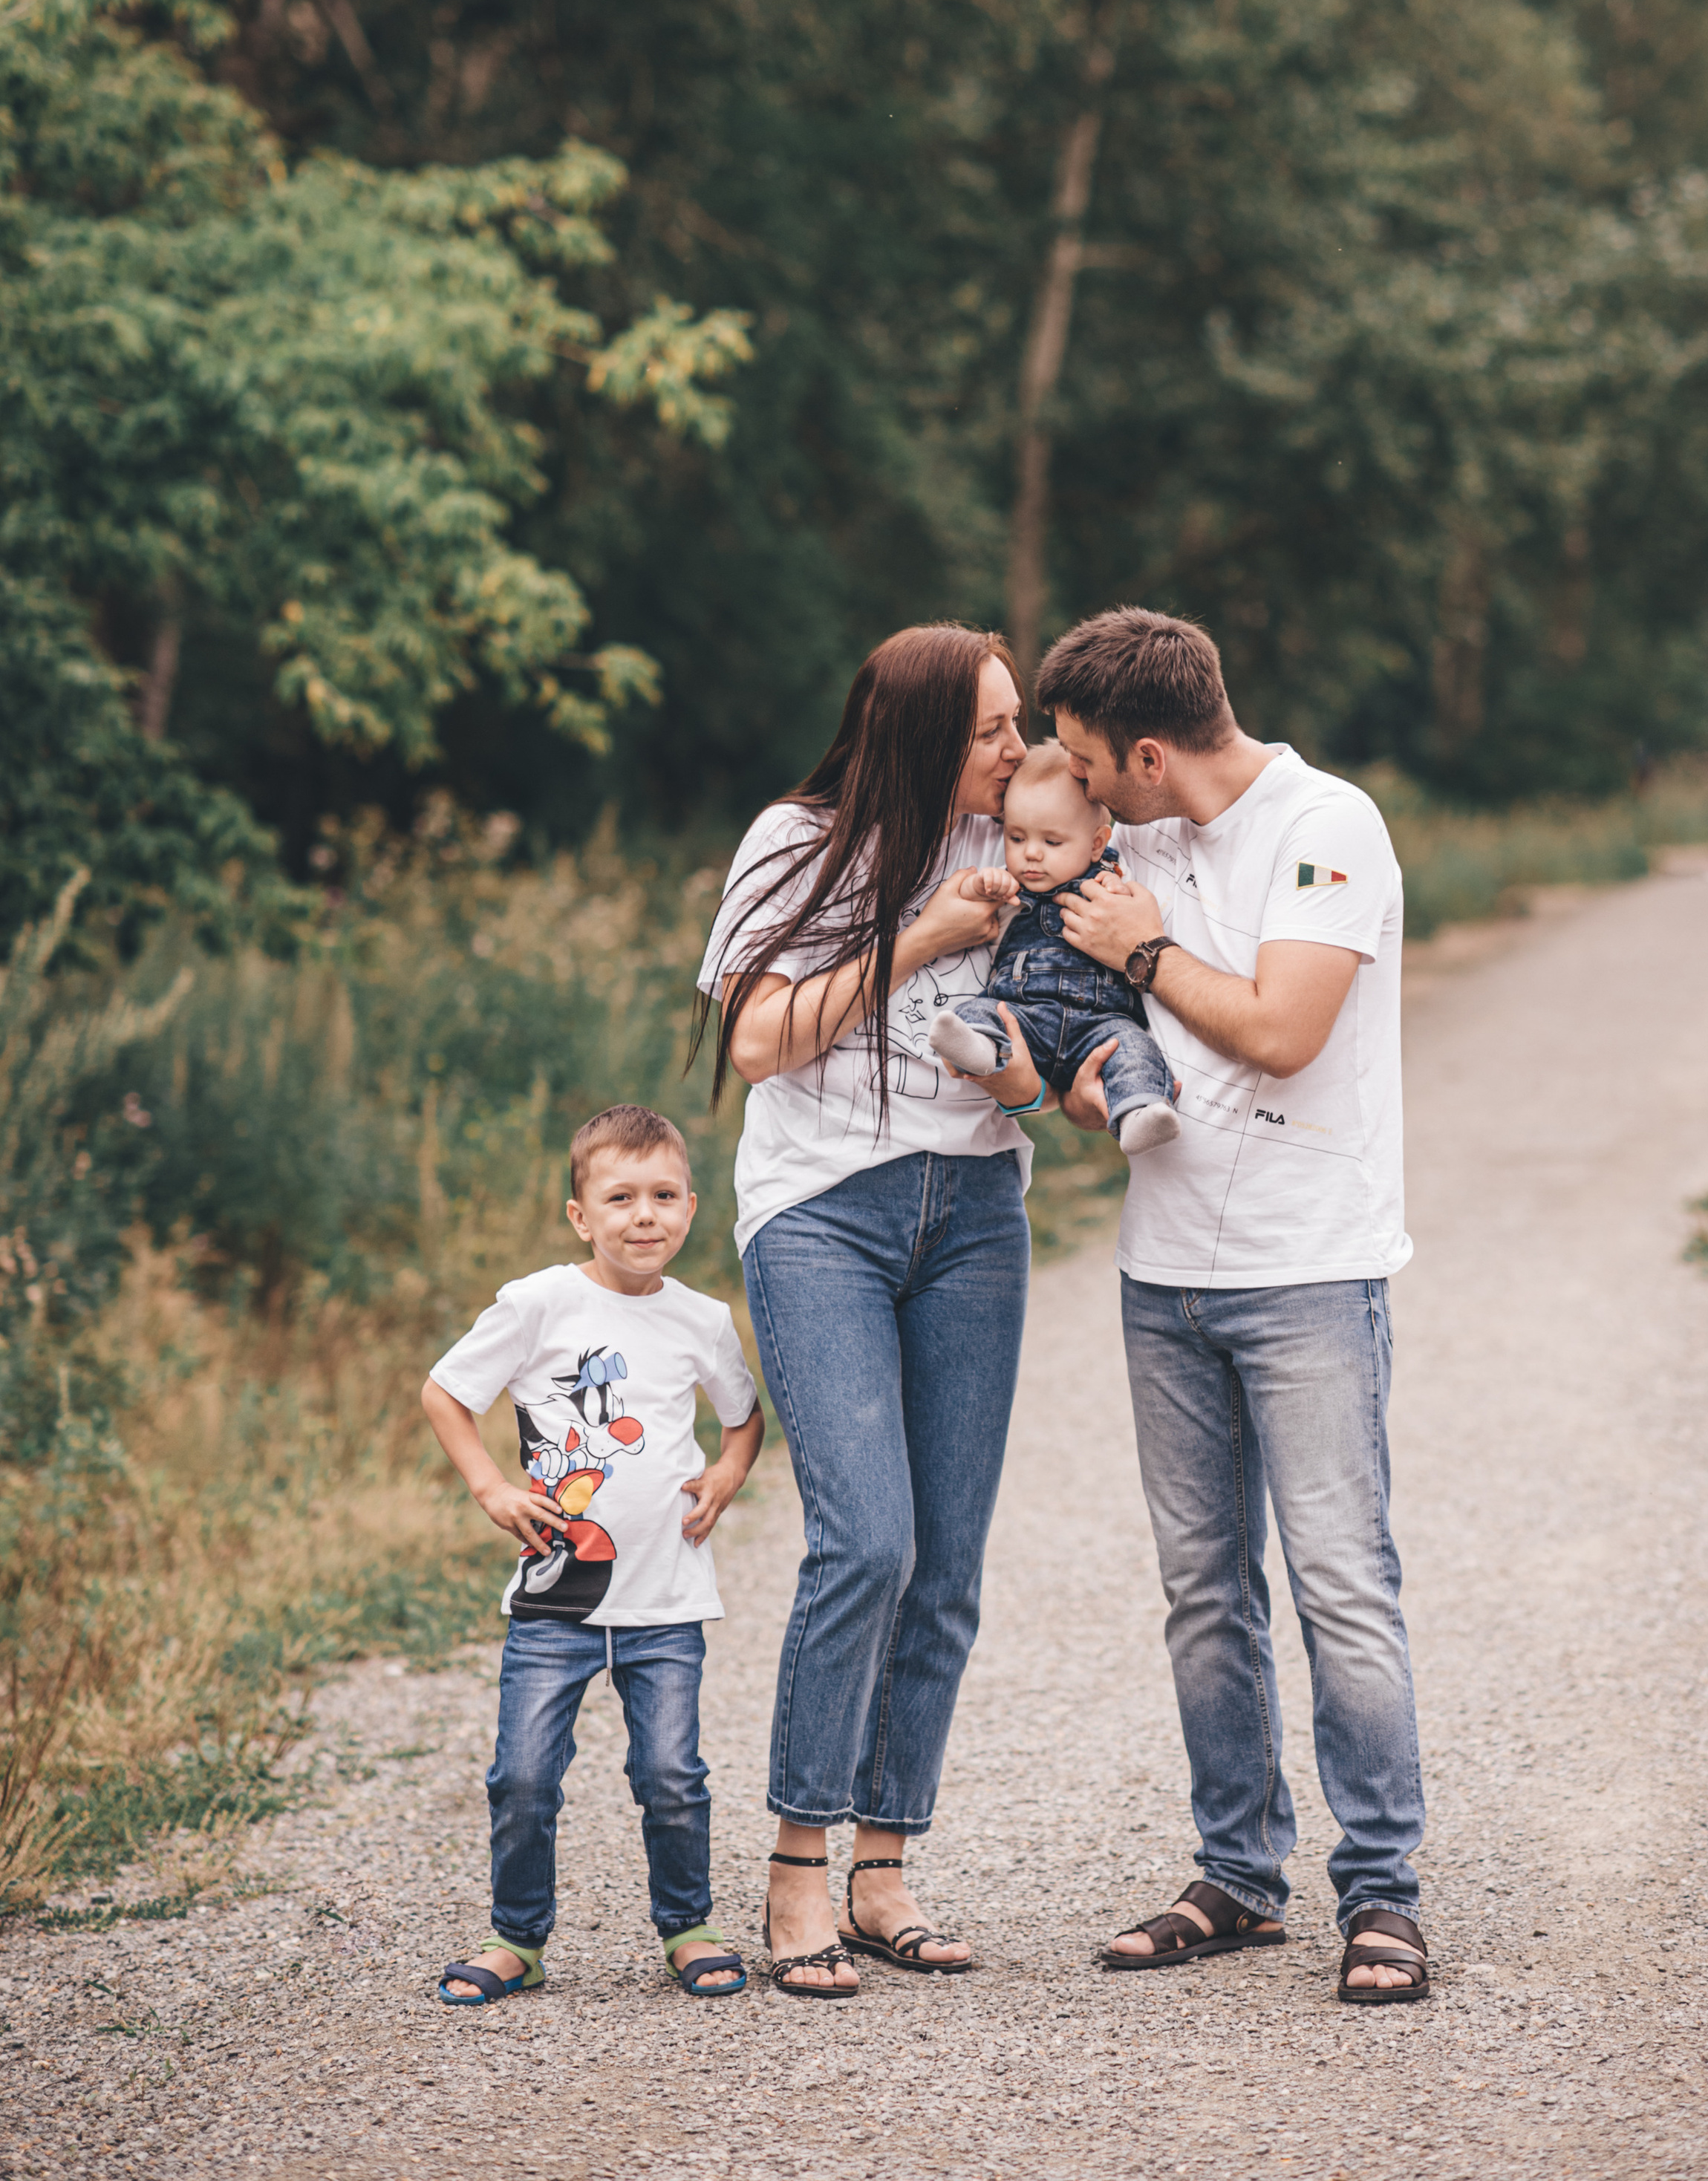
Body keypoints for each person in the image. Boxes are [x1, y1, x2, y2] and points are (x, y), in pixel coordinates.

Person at [1036, 607, 1430, 2006]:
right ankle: (1240, 1874)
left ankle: (1380, 1887)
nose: (1079, 787)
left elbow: (1280, 1027)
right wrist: (1084, 1076)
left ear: (1152, 751)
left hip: (1309, 1263)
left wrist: (1143, 951)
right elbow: (1102, 1035)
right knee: (1206, 1591)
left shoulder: (1330, 823)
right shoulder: (1131, 840)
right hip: (1163, 1273)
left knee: (1340, 1579)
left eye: (1091, 763)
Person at [692, 624, 1048, 2001]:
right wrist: (921, 939)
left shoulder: (1022, 847)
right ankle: (796, 1863)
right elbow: (759, 1041)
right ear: (916, 734)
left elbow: (1057, 1038)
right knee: (866, 1539)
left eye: (1015, 726)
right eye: (991, 729)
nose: (1016, 752)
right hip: (822, 1214)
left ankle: (887, 1864)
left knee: (947, 1557)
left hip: (977, 1216)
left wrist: (1035, 1069)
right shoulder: (795, 842)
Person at [421, 1103, 764, 2006]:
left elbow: (743, 1414)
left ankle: (687, 1927)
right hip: (555, 1600)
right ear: (581, 1215)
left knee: (671, 1777)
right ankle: (517, 1939)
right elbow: (446, 1393)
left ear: (691, 1208)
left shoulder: (703, 1319)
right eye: (619, 1197)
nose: (642, 1216)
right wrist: (492, 1488)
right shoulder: (539, 1303)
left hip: (667, 1598)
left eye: (661, 1196)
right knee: (524, 1778)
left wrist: (730, 1469)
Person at [928, 739, 1181, 1154]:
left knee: (1135, 1052)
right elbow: (967, 908)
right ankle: (978, 1047)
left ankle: (1140, 1112)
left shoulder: (1111, 880)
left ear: (1097, 843)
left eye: (1052, 842)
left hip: (1103, 1023)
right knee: (982, 1011)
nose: (1030, 854)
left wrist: (1119, 891)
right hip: (1024, 1019)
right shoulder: (1012, 890)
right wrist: (982, 886)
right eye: (1016, 837)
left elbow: (1141, 913)